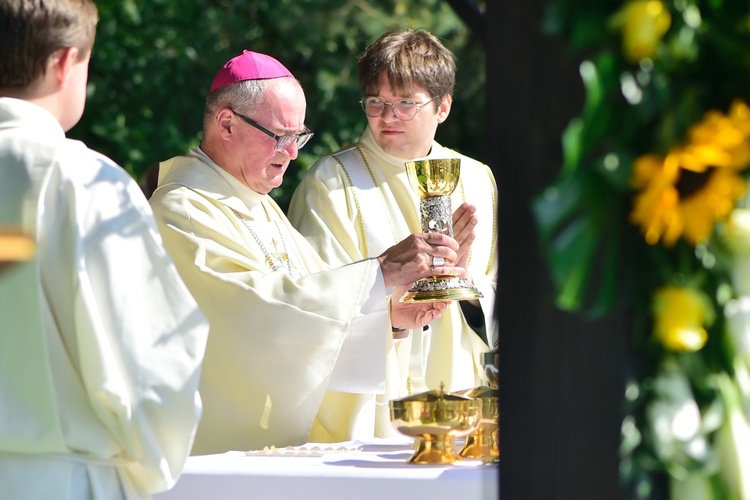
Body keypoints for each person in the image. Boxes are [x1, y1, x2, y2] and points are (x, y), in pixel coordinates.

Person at [148, 49, 465, 454]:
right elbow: (257, 314)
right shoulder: (182, 210)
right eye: (280, 136)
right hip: (216, 455)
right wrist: (379, 273)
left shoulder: (260, 206)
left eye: (299, 136)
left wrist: (388, 318)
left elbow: (312, 314)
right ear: (226, 124)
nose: (293, 152)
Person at [0, 1, 209, 499]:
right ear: (65, 62)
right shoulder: (85, 180)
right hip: (58, 481)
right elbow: (149, 361)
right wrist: (151, 464)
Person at [288, 29, 498, 397]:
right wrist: (393, 314)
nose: (387, 116)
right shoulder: (331, 182)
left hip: (463, 391)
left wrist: (467, 284)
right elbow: (311, 307)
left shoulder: (477, 179)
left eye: (405, 103)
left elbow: (512, 297)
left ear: (443, 106)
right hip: (373, 404)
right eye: (375, 102)